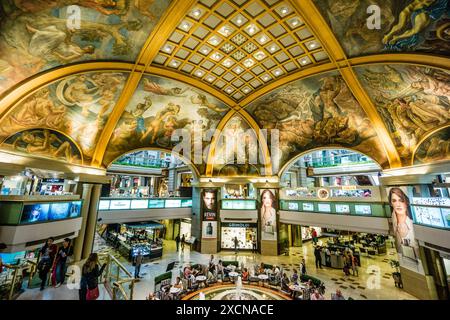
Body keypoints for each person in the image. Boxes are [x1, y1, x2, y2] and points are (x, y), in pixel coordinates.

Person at [389, 188, 419, 260]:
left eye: (401, 200)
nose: (398, 204)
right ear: (391, 203)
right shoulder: (393, 223)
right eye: (394, 201)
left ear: (406, 202)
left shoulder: (413, 225)